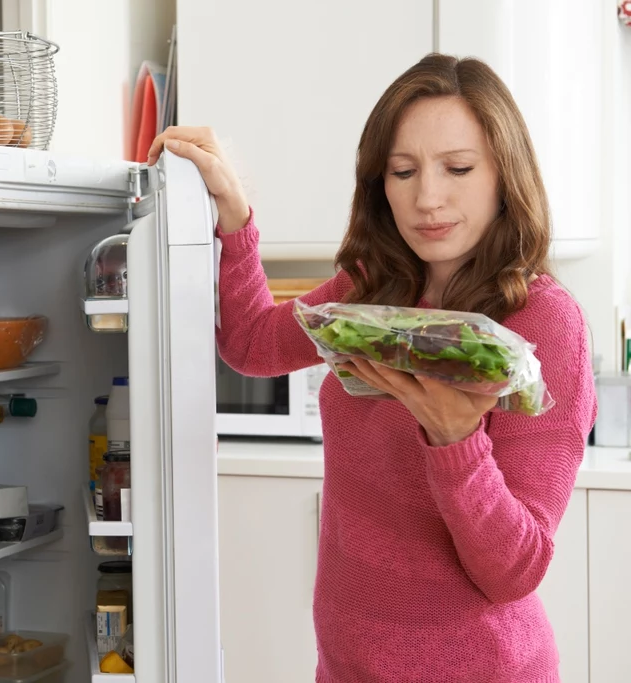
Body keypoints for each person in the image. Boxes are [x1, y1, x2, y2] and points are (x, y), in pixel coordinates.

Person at [149, 53, 597, 682]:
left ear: (505, 176)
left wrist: (456, 438)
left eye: (458, 168)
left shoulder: (545, 322)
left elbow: (515, 571)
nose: (428, 198)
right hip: (347, 665)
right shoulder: (372, 286)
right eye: (403, 171)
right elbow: (253, 344)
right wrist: (235, 213)